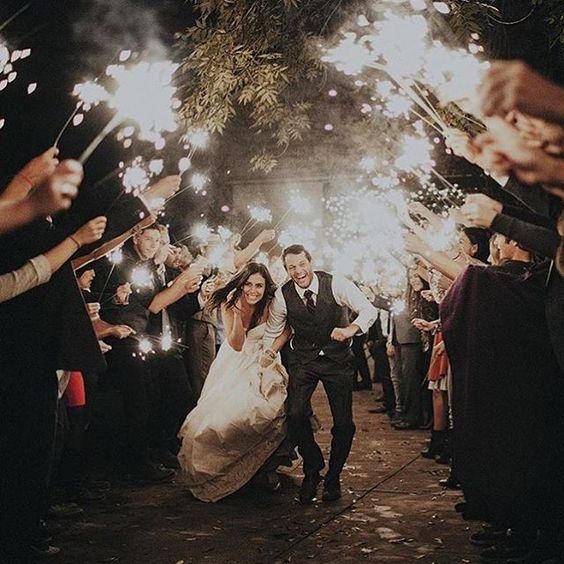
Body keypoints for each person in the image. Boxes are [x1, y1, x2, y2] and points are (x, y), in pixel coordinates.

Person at [263, 244, 378, 504]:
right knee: (294, 415)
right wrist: (267, 357)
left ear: (310, 262)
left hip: (337, 361)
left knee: (344, 424)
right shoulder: (283, 295)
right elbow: (274, 330)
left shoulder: (337, 284)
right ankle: (312, 469)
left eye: (302, 264)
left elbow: (369, 309)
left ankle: (333, 477)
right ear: (286, 269)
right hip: (303, 360)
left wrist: (351, 330)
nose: (298, 271)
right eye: (291, 267)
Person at [177, 262, 290, 502]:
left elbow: (286, 330)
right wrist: (238, 314)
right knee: (227, 417)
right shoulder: (230, 305)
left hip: (265, 358)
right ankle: (231, 472)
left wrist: (271, 353)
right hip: (235, 360)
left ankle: (264, 468)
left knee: (269, 411)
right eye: (248, 284)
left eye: (259, 285)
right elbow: (236, 344)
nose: (253, 290)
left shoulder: (272, 303)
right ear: (240, 285)